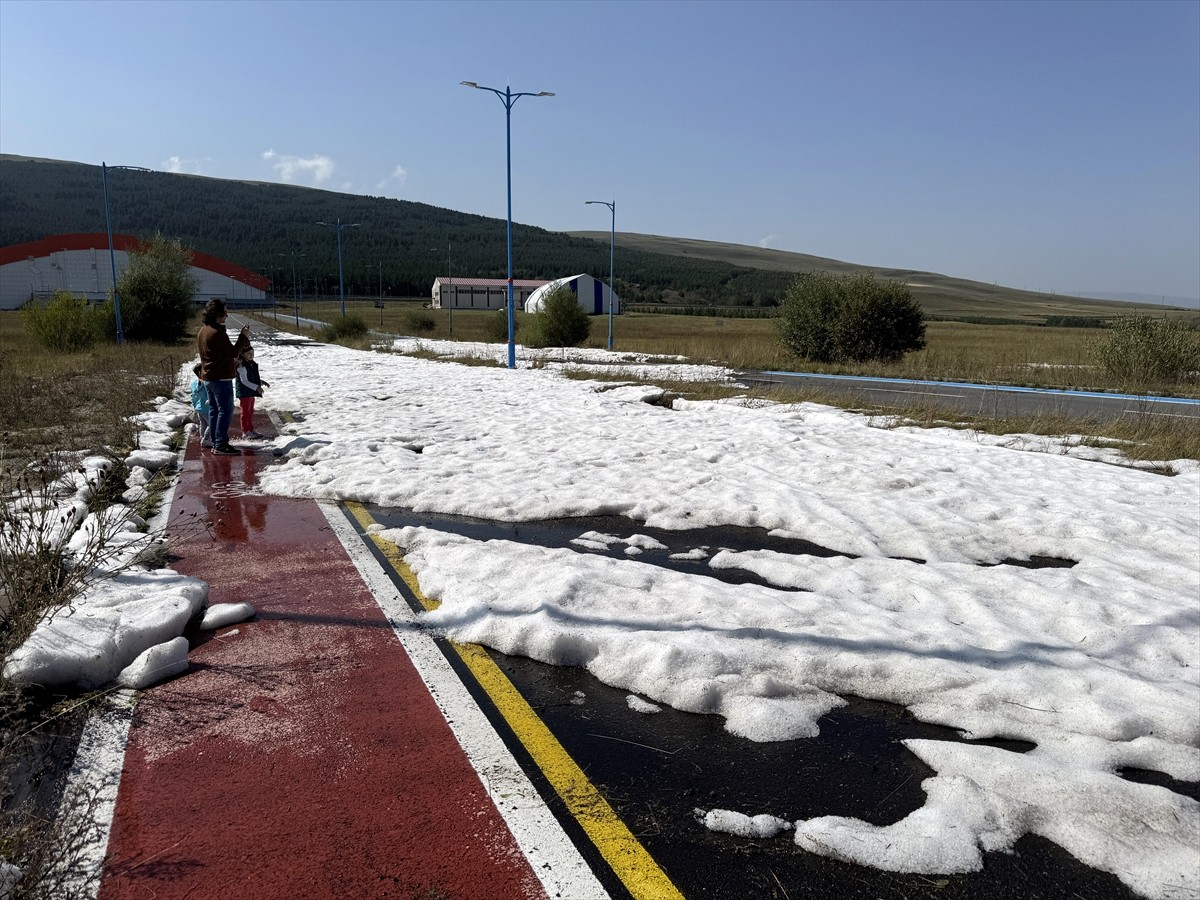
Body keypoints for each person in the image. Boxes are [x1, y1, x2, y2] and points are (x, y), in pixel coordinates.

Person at [197, 298, 250, 455]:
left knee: (214, 410)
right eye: (224, 313)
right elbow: (233, 352)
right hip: (221, 378)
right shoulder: (217, 333)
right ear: (217, 314)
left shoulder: (203, 330)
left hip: (209, 377)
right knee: (224, 411)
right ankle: (220, 444)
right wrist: (243, 336)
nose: (226, 316)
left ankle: (215, 441)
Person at [235, 346, 269, 440]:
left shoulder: (250, 364)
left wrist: (260, 382)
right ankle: (245, 432)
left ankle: (251, 430)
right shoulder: (242, 365)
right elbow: (244, 381)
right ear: (242, 354)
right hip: (244, 392)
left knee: (250, 411)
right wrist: (256, 387)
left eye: (252, 353)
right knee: (245, 412)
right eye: (248, 353)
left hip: (250, 392)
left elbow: (251, 377)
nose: (251, 355)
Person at [189, 363, 212, 448]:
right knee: (212, 424)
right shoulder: (206, 383)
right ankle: (206, 439)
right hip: (207, 407)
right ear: (200, 373)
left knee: (203, 424)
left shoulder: (194, 384)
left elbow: (193, 396)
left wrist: (195, 405)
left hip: (199, 408)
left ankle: (203, 438)